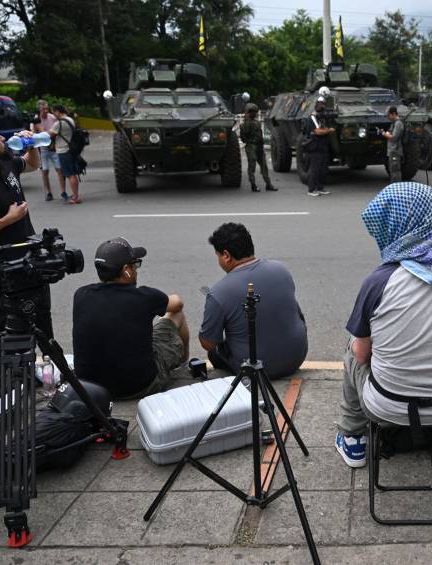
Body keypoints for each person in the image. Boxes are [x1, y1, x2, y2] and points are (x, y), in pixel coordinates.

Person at [335, 182, 432, 469]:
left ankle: (353, 438)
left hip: (384, 407)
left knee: (352, 347)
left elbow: (361, 356)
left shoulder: (379, 281)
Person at [72, 238, 189, 400]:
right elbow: (178, 303)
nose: (137, 270)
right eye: (135, 265)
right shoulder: (144, 297)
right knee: (176, 315)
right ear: (126, 270)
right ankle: (184, 366)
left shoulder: (81, 295)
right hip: (138, 386)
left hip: (90, 388)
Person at [199, 223, 307, 378]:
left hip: (256, 369)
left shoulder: (218, 292)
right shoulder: (281, 268)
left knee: (214, 354)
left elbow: (208, 343)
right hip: (296, 357)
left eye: (217, 256)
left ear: (226, 255)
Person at [0, 130, 54, 339]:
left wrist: (31, 146)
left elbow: (32, 165)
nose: (2, 137)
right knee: (7, 327)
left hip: (29, 257)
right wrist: (7, 220)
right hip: (3, 266)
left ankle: (46, 363)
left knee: (41, 317)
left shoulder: (6, 161)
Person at [33, 100, 67, 201]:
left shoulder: (52, 118)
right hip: (43, 149)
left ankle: (63, 191)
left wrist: (44, 133)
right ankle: (48, 192)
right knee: (45, 171)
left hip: (53, 147)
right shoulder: (36, 119)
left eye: (47, 108)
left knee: (59, 169)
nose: (46, 111)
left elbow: (56, 132)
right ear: (39, 109)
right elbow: (33, 134)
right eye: (43, 109)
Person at [301, 96, 335, 197]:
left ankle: (320, 187)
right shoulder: (312, 118)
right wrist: (329, 130)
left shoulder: (320, 118)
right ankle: (311, 189)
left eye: (323, 104)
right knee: (314, 169)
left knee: (322, 168)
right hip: (314, 145)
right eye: (320, 104)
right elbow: (318, 132)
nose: (322, 106)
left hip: (322, 145)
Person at [49, 105, 81, 204]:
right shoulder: (70, 120)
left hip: (63, 150)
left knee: (70, 174)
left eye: (54, 112)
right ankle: (76, 195)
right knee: (73, 174)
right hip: (71, 150)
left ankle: (75, 197)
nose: (54, 115)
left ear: (58, 111)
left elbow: (49, 135)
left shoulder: (58, 123)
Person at [240, 103, 275, 193]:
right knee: (252, 167)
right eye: (252, 112)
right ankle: (253, 185)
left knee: (264, 166)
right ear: (248, 112)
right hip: (251, 146)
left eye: (255, 112)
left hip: (259, 146)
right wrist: (246, 120)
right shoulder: (245, 124)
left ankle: (268, 184)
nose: (254, 113)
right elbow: (243, 136)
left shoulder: (256, 122)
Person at [381, 106, 404, 183]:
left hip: (395, 151)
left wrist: (384, 134)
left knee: (395, 172)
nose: (388, 117)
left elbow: (394, 137)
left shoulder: (398, 123)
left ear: (394, 114)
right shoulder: (394, 123)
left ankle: (397, 188)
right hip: (392, 151)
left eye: (389, 115)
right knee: (393, 171)